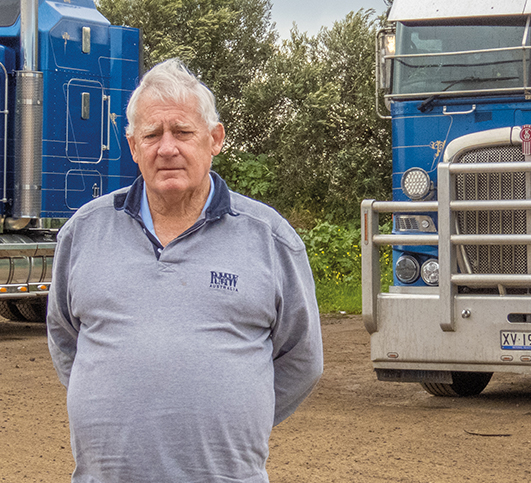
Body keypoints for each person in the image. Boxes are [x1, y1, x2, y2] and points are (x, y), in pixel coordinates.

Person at [47, 58, 324, 483]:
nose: (167, 147)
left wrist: (235, 416)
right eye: (152, 134)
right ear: (133, 146)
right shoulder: (84, 232)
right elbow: (66, 340)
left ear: (215, 139)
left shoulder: (269, 239)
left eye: (182, 132)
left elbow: (302, 359)